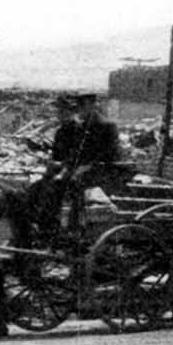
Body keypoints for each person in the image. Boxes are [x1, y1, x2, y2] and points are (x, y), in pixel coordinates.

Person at [36, 93, 122, 239]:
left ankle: (75, 227)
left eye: (84, 105)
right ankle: (47, 225)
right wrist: (63, 166)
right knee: (49, 183)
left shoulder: (107, 126)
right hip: (78, 169)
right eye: (80, 106)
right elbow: (72, 154)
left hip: (102, 171)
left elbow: (111, 155)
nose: (81, 109)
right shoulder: (79, 127)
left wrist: (88, 166)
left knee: (74, 182)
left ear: (93, 105)